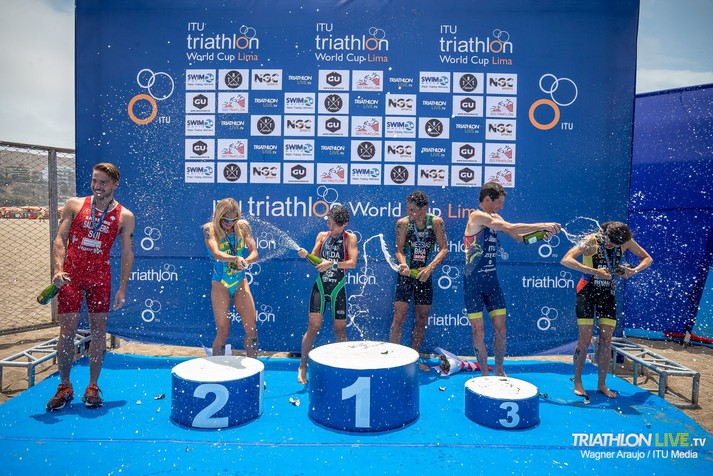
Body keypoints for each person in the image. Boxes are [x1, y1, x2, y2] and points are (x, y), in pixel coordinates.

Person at [46, 163, 135, 411]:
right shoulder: (75, 205)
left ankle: (93, 386)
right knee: (67, 331)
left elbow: (127, 253)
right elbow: (60, 238)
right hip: (71, 276)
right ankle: (64, 386)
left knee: (98, 332)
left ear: (115, 184)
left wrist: (122, 288)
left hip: (100, 278)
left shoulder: (125, 216)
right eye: (94, 180)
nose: (97, 186)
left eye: (103, 182)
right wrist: (57, 270)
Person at [463, 181, 560, 376]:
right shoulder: (476, 216)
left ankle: (499, 369)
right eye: (499, 202)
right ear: (487, 199)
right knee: (478, 332)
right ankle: (484, 375)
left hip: (492, 282)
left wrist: (541, 235)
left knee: (501, 330)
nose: (501, 206)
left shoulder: (495, 217)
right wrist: (543, 224)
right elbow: (509, 226)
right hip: (473, 283)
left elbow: (519, 237)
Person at [560, 221, 652, 398]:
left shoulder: (625, 240)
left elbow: (647, 258)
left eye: (617, 246)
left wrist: (633, 271)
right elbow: (566, 260)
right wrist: (594, 271)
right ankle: (578, 381)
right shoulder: (591, 240)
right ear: (606, 236)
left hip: (607, 293)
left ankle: (602, 384)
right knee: (585, 339)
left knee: (606, 339)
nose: (614, 247)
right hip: (586, 292)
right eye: (611, 243)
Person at [296, 205, 358, 384]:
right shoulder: (322, 236)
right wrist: (306, 255)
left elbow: (352, 263)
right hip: (321, 288)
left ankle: (342, 367)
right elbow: (314, 259)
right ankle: (303, 366)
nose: (329, 227)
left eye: (333, 225)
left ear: (344, 224)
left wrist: (332, 263)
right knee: (313, 328)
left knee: (340, 330)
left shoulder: (350, 238)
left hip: (338, 288)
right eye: (329, 222)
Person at [390, 190, 448, 357]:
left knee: (422, 319)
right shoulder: (403, 223)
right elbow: (399, 250)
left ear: (424, 209)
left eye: (412, 209)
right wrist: (403, 264)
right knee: (399, 317)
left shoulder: (436, 222)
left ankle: (414, 356)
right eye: (407, 208)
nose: (409, 212)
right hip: (406, 275)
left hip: (424, 276)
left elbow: (444, 249)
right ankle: (393, 356)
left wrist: (430, 268)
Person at [203, 198, 259, 358]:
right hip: (220, 284)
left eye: (234, 220)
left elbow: (254, 252)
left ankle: (255, 366)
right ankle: (218, 367)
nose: (230, 223)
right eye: (226, 220)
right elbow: (216, 254)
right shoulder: (209, 229)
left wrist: (245, 261)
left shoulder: (243, 226)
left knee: (252, 330)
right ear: (218, 216)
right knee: (223, 331)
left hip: (240, 281)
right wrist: (235, 258)